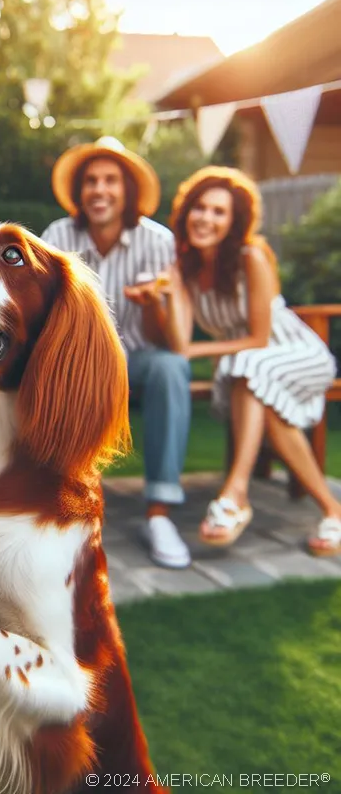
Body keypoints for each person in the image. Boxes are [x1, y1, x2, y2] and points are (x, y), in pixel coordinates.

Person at [145, 165, 339, 556]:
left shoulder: (252, 256)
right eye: (200, 208)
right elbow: (180, 340)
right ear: (187, 213)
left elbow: (258, 337)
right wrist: (160, 298)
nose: (206, 218)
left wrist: (196, 353)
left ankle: (235, 491)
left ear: (234, 222)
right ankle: (332, 509)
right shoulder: (184, 269)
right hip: (245, 367)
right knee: (254, 383)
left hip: (296, 353)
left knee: (248, 367)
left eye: (220, 212)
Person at [42, 136, 192, 569]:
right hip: (78, 364)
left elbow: (165, 337)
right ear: (79, 192)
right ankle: (66, 510)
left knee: (171, 367)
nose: (99, 189)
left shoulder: (158, 242)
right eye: (90, 181)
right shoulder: (57, 236)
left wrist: (153, 306)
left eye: (110, 180)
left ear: (127, 191)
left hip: (139, 364)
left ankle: (159, 513)